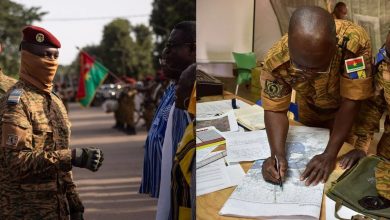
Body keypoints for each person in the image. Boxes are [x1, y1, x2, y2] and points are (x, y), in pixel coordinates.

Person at [260, 6, 373, 187]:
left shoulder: (354, 45)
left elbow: (352, 99)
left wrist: (330, 154)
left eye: (318, 67)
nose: (309, 73)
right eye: (300, 66)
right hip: (310, 108)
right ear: (289, 47)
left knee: (343, 171)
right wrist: (277, 154)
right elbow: (275, 109)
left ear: (334, 46)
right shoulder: (276, 60)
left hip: (347, 112)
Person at [0, 25, 104, 219]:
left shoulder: (55, 101)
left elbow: (62, 165)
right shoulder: (16, 102)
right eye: (46, 55)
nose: (52, 62)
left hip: (58, 210)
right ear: (29, 57)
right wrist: (72, 156)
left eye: (56, 56)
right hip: (24, 211)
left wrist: (74, 204)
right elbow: (15, 161)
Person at [139, 21, 196, 198]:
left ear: (194, 49)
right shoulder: (173, 88)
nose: (166, 52)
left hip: (185, 192)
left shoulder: (194, 90)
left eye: (172, 46)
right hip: (170, 191)